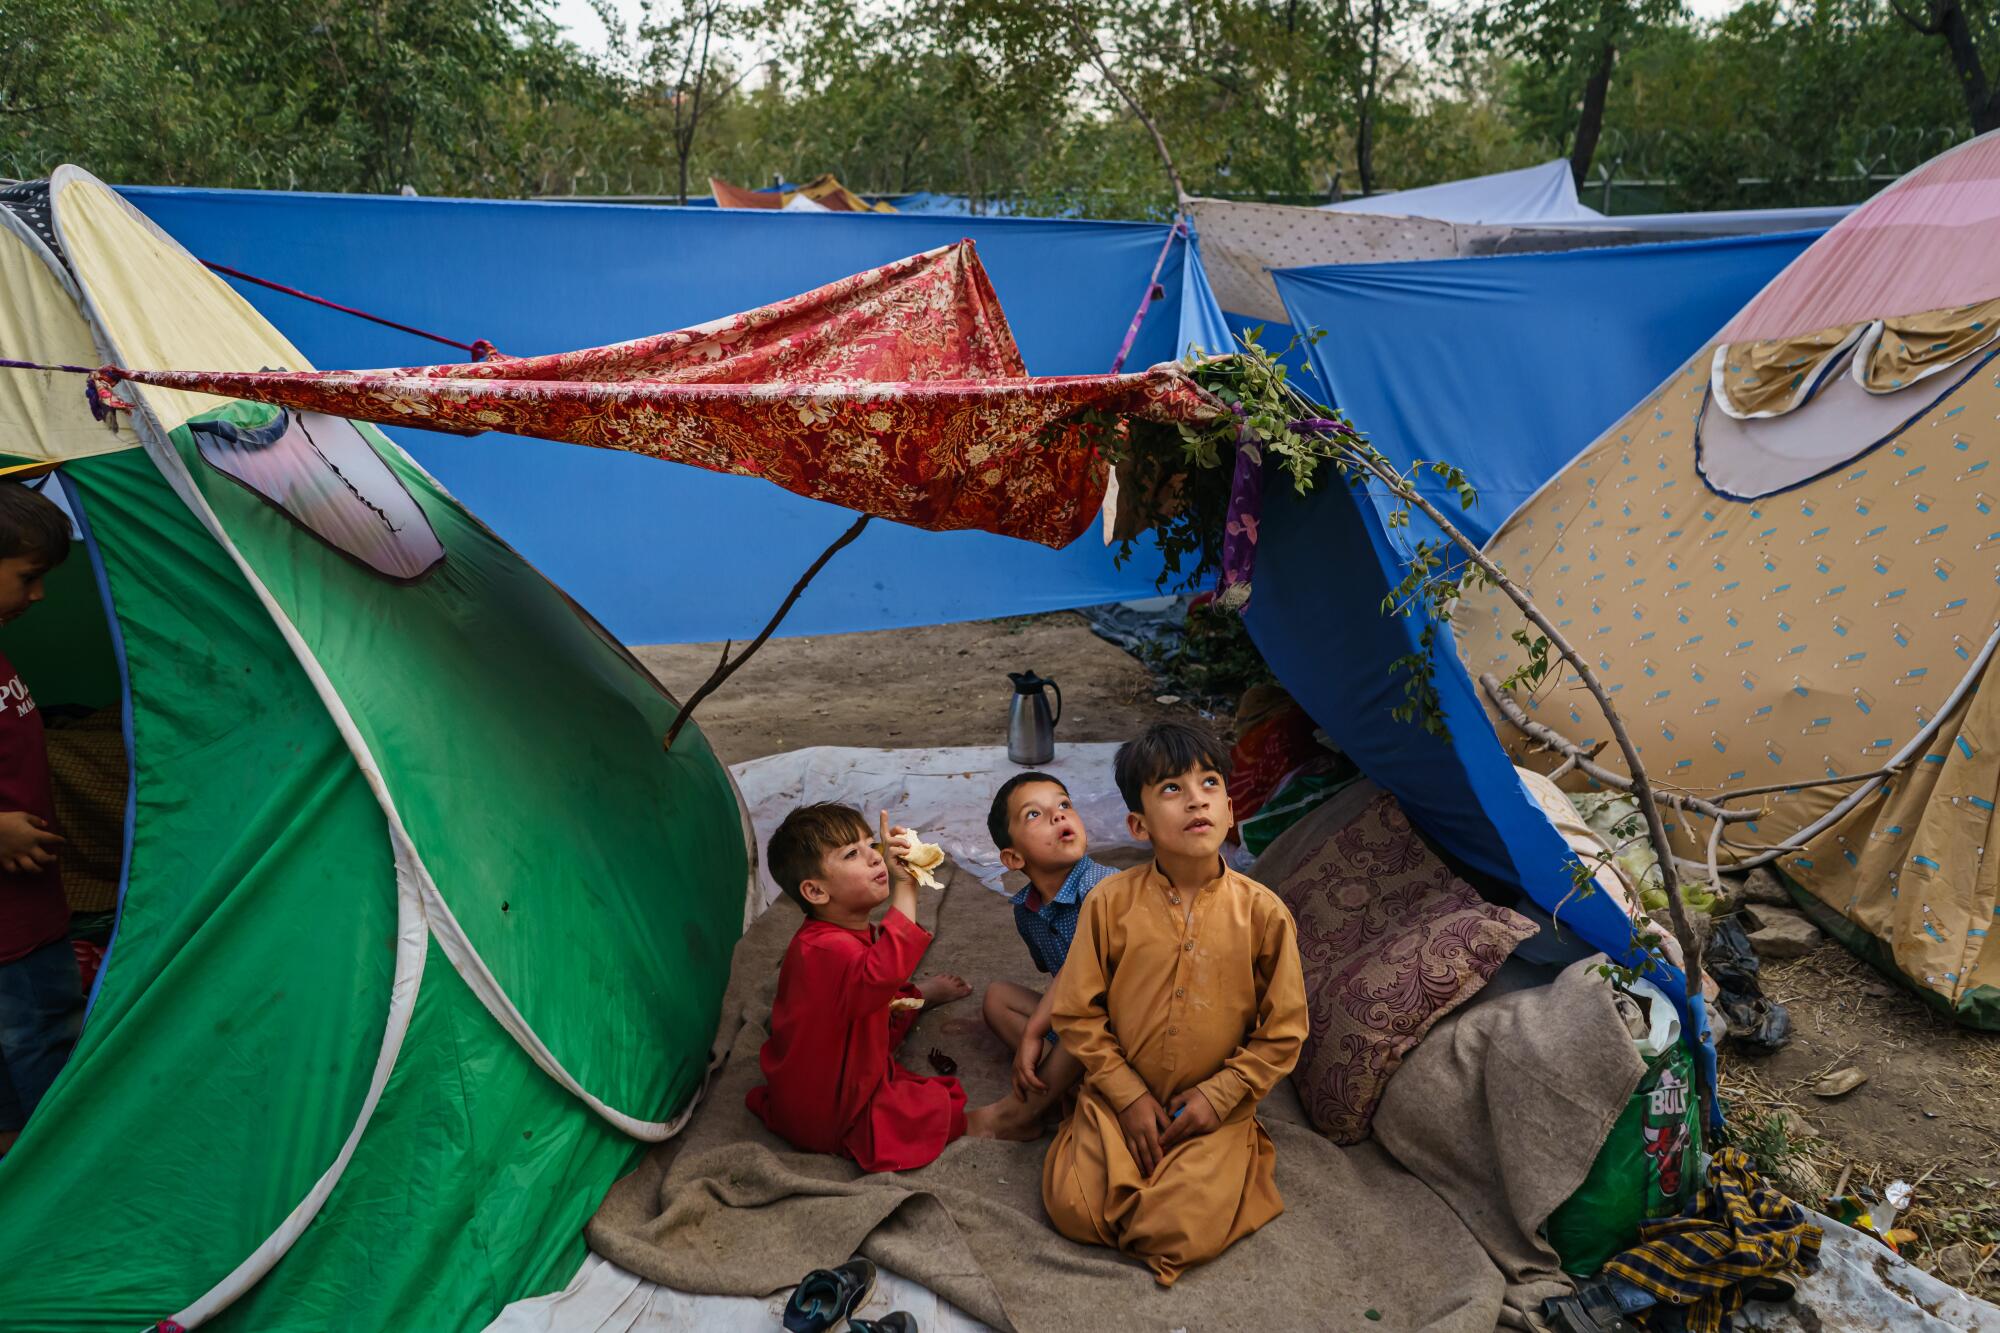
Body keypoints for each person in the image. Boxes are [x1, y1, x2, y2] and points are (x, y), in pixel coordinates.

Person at [1039, 721, 1308, 1286]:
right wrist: (1126, 1094)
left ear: (1231, 811)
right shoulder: (1109, 904)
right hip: (1120, 1097)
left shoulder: (1264, 914)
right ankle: (1096, 1131)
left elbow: (1283, 1030)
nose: (1195, 800)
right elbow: (1076, 1013)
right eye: (1170, 789)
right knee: (1074, 1208)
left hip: (1210, 1111)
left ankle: (1222, 1158)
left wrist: (1222, 1094)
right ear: (1138, 825)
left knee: (1178, 1232)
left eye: (1209, 784)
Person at [747, 802, 1001, 1171]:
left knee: (887, 998)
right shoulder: (822, 948)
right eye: (852, 853)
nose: (875, 858)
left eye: (871, 844)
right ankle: (982, 1124)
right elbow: (883, 973)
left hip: (851, 1027)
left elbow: (877, 979)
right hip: (830, 1113)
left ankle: (920, 996)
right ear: (815, 892)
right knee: (921, 1110)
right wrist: (906, 885)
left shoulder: (841, 932)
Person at [0, 482, 81, 1157]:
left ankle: (17, 1155)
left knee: (27, 1031)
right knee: (40, 1034)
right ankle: (60, 1167)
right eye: (29, 578)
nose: (39, 595)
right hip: (9, 927)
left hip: (33, 908)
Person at [971, 771, 1114, 1140]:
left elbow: (1090, 975)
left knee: (1083, 1017)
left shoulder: (1107, 889)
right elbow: (1059, 981)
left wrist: (1037, 1030)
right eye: (1034, 814)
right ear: (1014, 857)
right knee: (998, 998)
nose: (1058, 815)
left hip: (1129, 1024)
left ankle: (1022, 1111)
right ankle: (1064, 1084)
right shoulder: (1027, 912)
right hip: (1080, 1027)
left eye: (1064, 804)